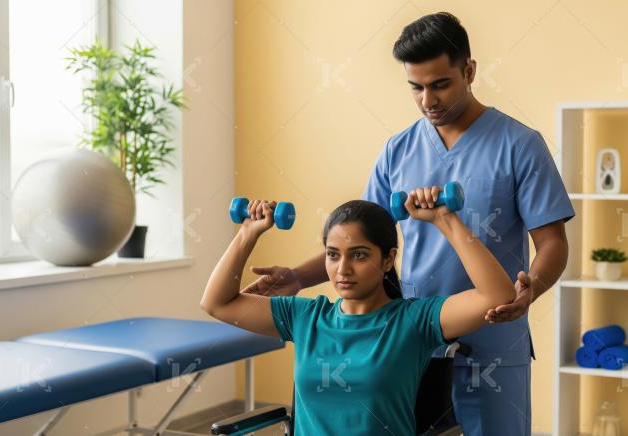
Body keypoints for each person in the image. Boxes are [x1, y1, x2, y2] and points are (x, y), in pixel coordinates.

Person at [242, 12, 575, 435]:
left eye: (440, 84)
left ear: (469, 71)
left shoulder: (520, 145)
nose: (427, 100)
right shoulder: (397, 150)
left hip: (491, 337)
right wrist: (298, 277)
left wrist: (531, 291)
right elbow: (360, 238)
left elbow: (553, 245)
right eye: (415, 87)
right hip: (409, 340)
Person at [201, 196, 516, 435]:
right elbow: (217, 303)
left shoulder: (415, 321)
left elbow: (497, 296)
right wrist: (247, 233)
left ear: (389, 259)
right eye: (333, 255)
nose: (343, 270)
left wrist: (447, 221)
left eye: (359, 255)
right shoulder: (305, 316)